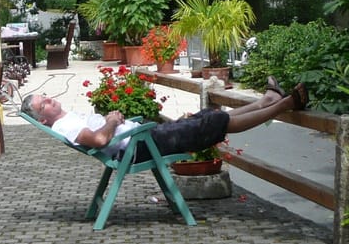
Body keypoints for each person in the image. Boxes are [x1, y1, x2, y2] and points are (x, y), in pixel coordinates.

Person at [22, 76, 309, 162]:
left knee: (210, 115)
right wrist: (111, 120)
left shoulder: (65, 118)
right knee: (213, 124)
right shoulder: (67, 126)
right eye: (43, 104)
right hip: (140, 145)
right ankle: (284, 104)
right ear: (44, 120)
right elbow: (99, 139)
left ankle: (266, 100)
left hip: (140, 139)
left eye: (45, 96)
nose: (49, 100)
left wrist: (115, 121)